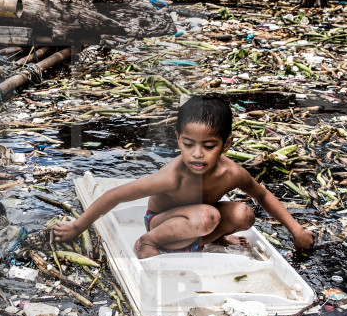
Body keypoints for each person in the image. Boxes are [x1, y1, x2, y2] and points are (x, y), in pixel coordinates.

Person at [52, 96, 315, 257]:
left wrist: (296, 231)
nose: (197, 155)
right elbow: (115, 195)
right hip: (161, 224)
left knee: (244, 215)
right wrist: (77, 227)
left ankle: (206, 240)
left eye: (208, 146)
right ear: (178, 139)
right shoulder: (172, 177)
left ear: (226, 144)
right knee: (208, 215)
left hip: (199, 223)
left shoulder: (232, 173)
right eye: (188, 145)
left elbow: (263, 195)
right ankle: (147, 244)